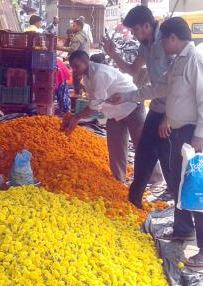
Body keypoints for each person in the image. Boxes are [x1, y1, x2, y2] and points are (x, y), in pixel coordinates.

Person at [108, 17, 203, 266]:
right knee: (179, 183)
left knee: (196, 188)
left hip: (193, 133)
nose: (161, 44)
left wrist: (199, 136)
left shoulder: (194, 60)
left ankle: (202, 250)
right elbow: (159, 89)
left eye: (164, 39)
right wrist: (129, 96)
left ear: (173, 38)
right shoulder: (176, 62)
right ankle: (183, 230)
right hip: (179, 130)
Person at [101, 5, 168, 209]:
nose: (133, 34)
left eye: (135, 29)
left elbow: (176, 83)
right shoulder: (145, 44)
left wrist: (170, 115)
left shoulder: (166, 41)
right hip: (157, 104)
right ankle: (134, 199)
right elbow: (132, 69)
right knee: (145, 149)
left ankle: (169, 192)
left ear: (147, 25)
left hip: (171, 108)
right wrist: (113, 54)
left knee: (166, 154)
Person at [62, 50, 147, 183]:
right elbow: (94, 102)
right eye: (72, 66)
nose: (74, 69)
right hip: (114, 112)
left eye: (77, 66)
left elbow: (95, 106)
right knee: (115, 146)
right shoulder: (87, 77)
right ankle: (118, 180)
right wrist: (75, 116)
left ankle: (154, 181)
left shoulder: (99, 74)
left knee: (141, 146)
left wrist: (76, 117)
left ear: (86, 62)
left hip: (132, 108)